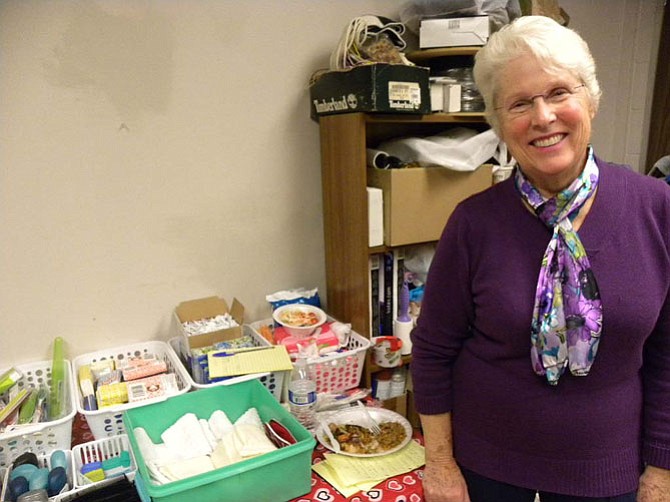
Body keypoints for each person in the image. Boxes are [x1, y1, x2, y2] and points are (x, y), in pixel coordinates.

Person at [410, 15, 670, 502]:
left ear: (590, 99)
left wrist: (663, 471)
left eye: (557, 93)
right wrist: (440, 463)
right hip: (483, 470)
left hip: (610, 474)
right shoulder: (473, 223)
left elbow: (669, 357)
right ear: (499, 124)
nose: (543, 117)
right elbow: (433, 349)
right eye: (519, 104)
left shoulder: (657, 209)